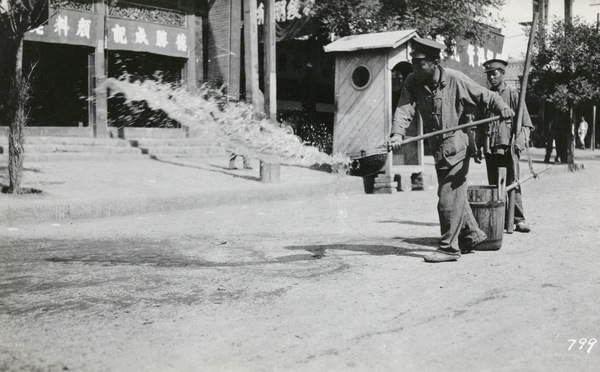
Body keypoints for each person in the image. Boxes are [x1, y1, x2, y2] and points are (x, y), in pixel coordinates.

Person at [389, 38, 515, 263]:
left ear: (435, 63)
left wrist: (503, 108)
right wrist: (397, 134)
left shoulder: (456, 79)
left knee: (447, 199)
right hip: (437, 148)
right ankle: (472, 235)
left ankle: (449, 248)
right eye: (413, 63)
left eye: (420, 64)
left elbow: (487, 96)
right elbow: (403, 109)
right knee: (454, 196)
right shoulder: (412, 81)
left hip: (457, 146)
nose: (415, 68)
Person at [479, 58, 533, 233]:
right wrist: (479, 146)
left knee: (513, 183)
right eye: (489, 75)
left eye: (494, 74)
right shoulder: (486, 95)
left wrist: (519, 142)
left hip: (509, 146)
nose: (492, 78)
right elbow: (481, 124)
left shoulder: (514, 95)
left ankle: (519, 219)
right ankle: (500, 218)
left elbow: (525, 124)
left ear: (502, 74)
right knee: (494, 185)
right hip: (490, 147)